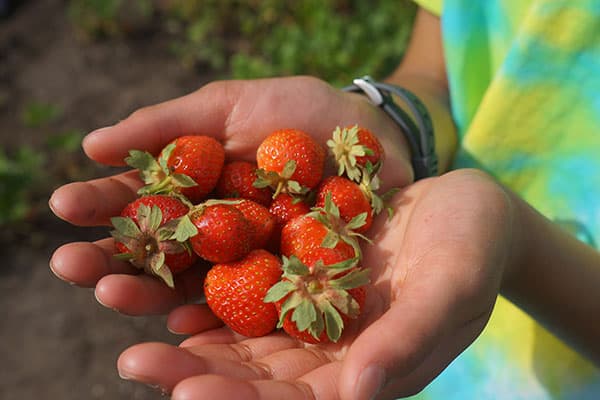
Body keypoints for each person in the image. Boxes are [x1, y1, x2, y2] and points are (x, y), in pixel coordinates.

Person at [48, 1, 600, 399]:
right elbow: (440, 64)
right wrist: (392, 120)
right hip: (410, 298)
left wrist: (515, 246)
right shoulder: (284, 223)